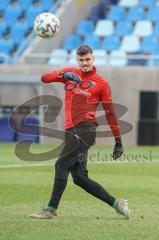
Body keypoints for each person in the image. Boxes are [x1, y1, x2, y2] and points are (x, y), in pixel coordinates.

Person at [29, 45, 130, 219]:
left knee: (60, 164)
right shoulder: (70, 74)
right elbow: (44, 78)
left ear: (93, 59)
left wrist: (118, 141)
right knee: (79, 178)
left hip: (85, 129)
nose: (84, 63)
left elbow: (110, 113)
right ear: (77, 60)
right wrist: (62, 75)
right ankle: (117, 204)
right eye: (81, 60)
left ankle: (50, 210)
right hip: (71, 130)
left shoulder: (101, 84)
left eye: (88, 59)